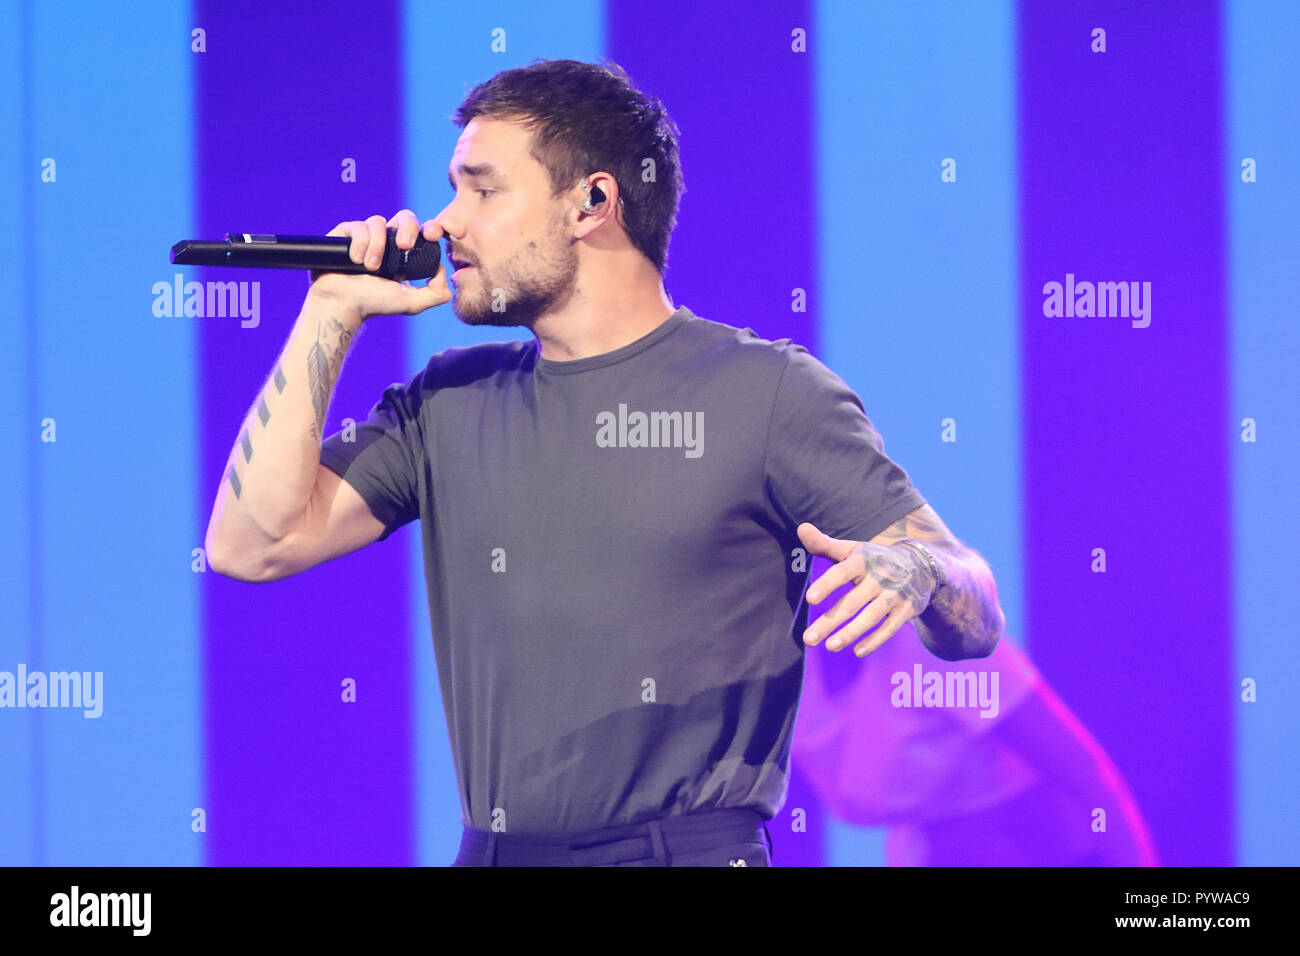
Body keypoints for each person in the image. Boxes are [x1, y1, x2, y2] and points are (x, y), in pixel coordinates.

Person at [204, 58, 1007, 867]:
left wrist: (920, 571)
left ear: (592, 202)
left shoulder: (768, 393)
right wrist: (329, 313)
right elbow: (251, 545)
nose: (446, 223)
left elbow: (974, 605)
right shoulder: (447, 399)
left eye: (482, 190)